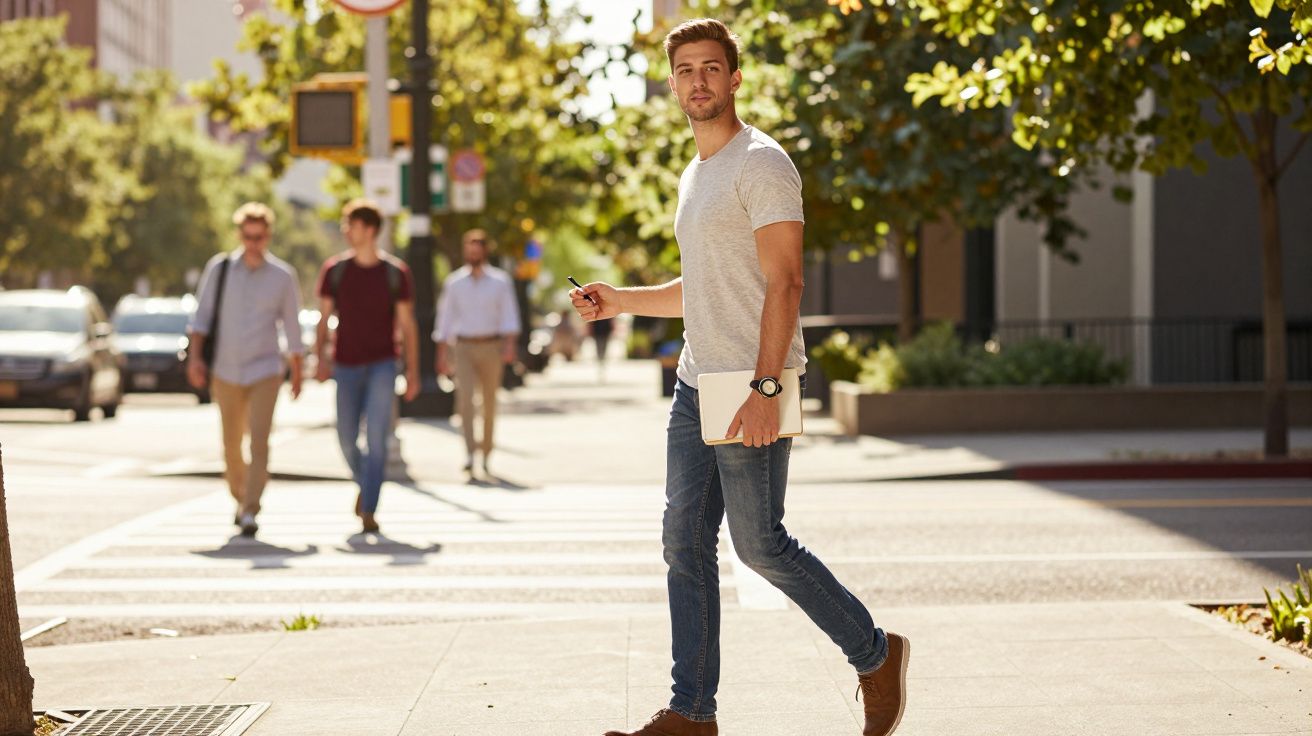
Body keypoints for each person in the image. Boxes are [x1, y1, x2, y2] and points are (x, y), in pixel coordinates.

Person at [571, 19, 908, 736]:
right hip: (697, 385)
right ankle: (692, 711)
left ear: (735, 78)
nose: (698, 80)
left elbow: (785, 282)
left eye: (711, 67)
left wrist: (765, 389)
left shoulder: (762, 163)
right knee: (682, 542)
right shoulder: (696, 174)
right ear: (672, 84)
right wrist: (622, 300)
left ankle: (876, 654)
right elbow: (701, 285)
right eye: (686, 69)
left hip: (752, 384)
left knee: (761, 546)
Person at [188, 202, 303, 538]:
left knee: (260, 441)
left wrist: (297, 371)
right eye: (247, 235)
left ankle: (251, 507)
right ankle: (239, 498)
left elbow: (293, 328)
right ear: (240, 234)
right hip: (225, 369)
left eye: (259, 236)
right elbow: (201, 318)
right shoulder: (220, 269)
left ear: (268, 236)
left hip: (266, 369)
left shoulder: (282, 276)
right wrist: (196, 359)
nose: (253, 242)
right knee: (230, 443)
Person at [314, 199, 420, 534]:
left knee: (377, 438)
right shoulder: (335, 270)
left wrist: (414, 371)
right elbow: (323, 319)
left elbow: (408, 326)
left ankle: (369, 508)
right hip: (345, 365)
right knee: (345, 438)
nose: (346, 230)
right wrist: (320, 357)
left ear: (370, 230)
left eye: (351, 225)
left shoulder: (395, 273)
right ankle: (367, 485)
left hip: (382, 365)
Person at [434, 229, 521, 477]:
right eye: (469, 249)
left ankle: (487, 452)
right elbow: (445, 318)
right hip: (463, 347)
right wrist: (442, 353)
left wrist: (509, 346)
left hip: (491, 346)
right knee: (464, 402)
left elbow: (509, 315)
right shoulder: (454, 283)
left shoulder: (500, 282)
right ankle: (470, 453)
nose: (473, 253)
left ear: (484, 251)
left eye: (477, 249)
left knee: (489, 403)